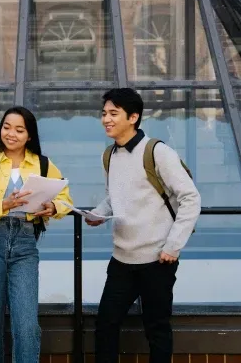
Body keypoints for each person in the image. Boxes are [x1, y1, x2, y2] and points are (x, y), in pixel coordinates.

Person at [86, 88, 201, 363]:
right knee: (105, 325)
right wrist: (97, 213)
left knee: (157, 329)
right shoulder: (109, 155)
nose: (106, 119)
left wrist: (173, 246)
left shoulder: (158, 152)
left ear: (133, 117)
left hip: (157, 260)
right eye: (104, 113)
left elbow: (191, 198)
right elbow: (115, 197)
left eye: (114, 113)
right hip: (121, 259)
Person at [0, 106, 73, 363]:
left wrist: (53, 207)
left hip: (24, 243)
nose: (11, 134)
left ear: (29, 135)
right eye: (6, 127)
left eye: (19, 130)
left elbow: (65, 198)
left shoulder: (42, 163)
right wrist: (3, 205)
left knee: (27, 325)